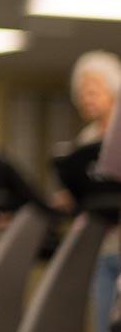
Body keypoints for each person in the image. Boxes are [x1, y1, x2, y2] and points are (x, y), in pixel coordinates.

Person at [64, 50, 121, 332]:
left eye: (94, 90)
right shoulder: (85, 140)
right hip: (100, 244)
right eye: (83, 92)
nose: (87, 97)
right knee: (101, 321)